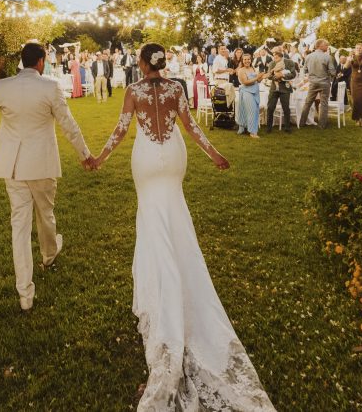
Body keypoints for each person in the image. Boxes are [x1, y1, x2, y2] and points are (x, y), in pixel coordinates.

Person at [87, 44, 275, 411]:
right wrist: (215, 154)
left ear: (142, 64)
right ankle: (177, 272)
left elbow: (122, 130)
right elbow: (190, 127)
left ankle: (160, 284)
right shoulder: (177, 89)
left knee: (152, 219)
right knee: (175, 211)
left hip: (146, 160)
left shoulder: (133, 91)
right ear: (164, 63)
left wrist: (99, 158)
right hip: (173, 158)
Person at [0, 43, 94, 311]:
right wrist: (84, 154)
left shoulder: (3, 86)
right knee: (46, 213)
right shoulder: (49, 87)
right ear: (41, 62)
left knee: (20, 226)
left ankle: (25, 293)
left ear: (21, 62)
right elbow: (68, 124)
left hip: (13, 166)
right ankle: (49, 255)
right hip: (41, 164)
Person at [300, 39, 337, 129]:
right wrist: (328, 73)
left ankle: (301, 122)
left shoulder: (308, 57)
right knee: (324, 103)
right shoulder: (327, 57)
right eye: (326, 45)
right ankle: (322, 124)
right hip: (324, 83)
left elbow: (305, 70)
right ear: (320, 46)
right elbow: (333, 72)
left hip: (313, 83)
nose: (327, 47)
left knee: (308, 103)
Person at [235, 52, 265, 138]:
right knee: (251, 111)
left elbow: (257, 81)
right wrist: (257, 77)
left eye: (248, 59)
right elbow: (245, 82)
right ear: (242, 60)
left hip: (255, 92)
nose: (247, 61)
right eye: (245, 59)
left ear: (251, 60)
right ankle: (252, 132)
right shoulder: (241, 70)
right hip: (246, 92)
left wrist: (262, 77)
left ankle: (246, 128)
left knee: (255, 111)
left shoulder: (253, 69)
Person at [266, 49, 296, 132]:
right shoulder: (272, 63)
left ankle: (287, 127)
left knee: (286, 108)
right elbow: (269, 75)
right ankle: (269, 127)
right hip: (274, 88)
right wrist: (276, 77)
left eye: (276, 55)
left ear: (281, 55)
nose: (275, 57)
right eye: (274, 55)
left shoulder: (289, 62)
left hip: (285, 88)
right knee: (270, 107)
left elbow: (293, 74)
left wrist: (282, 75)